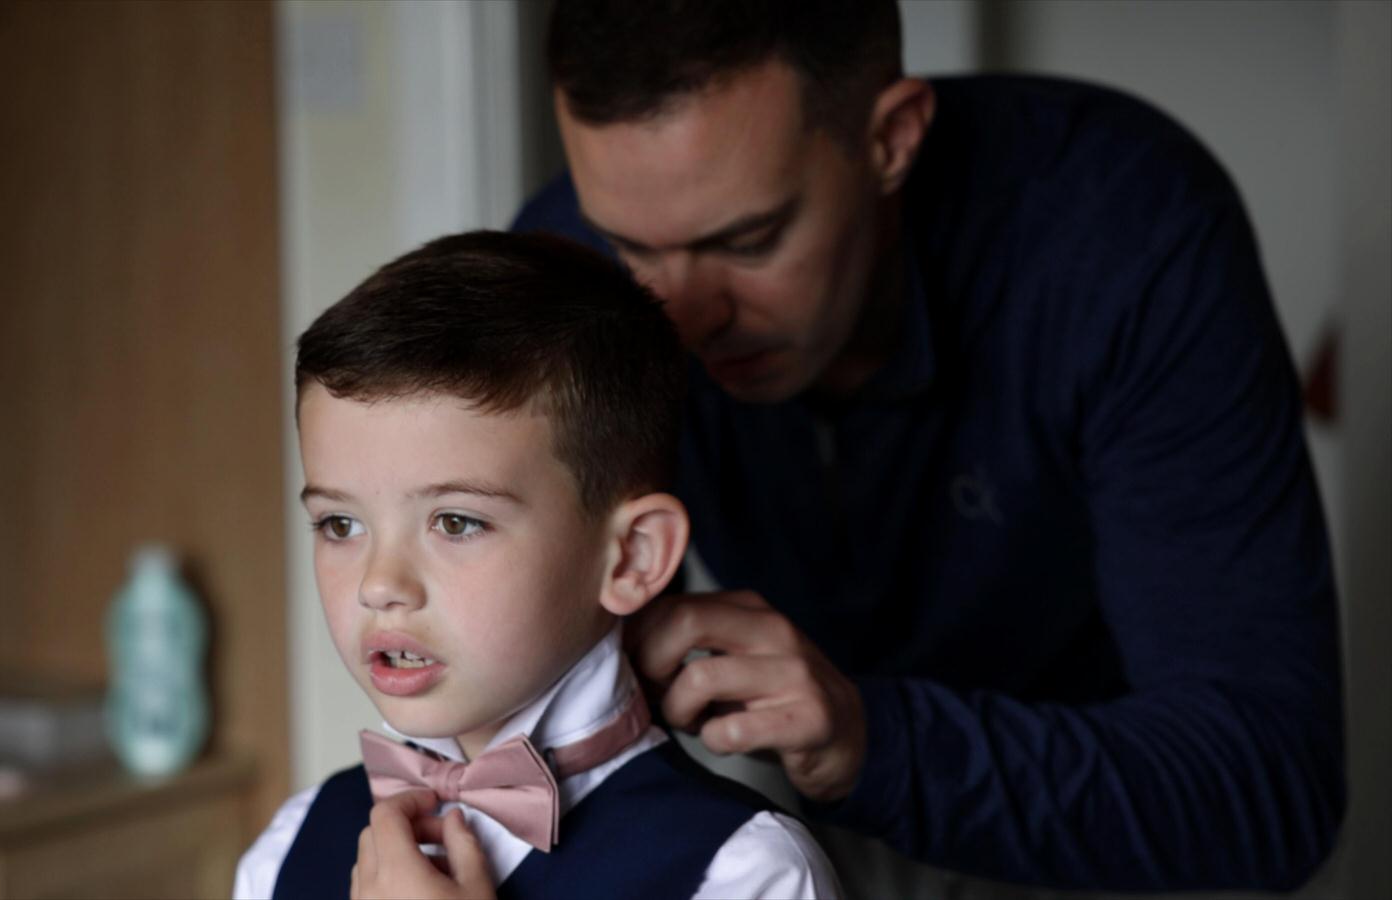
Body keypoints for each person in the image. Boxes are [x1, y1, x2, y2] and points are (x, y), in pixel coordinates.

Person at [513, 0, 1344, 892]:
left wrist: (878, 742)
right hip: (795, 826)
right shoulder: (566, 265)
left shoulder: (1126, 231)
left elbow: (1269, 787)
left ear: (893, 139)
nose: (681, 323)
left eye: (748, 241)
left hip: (1108, 822)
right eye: (630, 246)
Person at [233, 231, 843, 900]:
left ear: (632, 556)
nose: (380, 584)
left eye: (457, 522)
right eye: (339, 524)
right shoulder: (285, 849)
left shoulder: (747, 873)